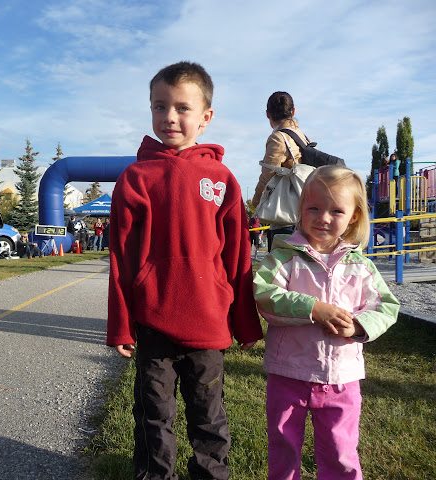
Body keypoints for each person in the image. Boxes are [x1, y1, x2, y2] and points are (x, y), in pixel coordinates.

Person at [107, 61, 263, 480]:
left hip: (208, 321)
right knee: (154, 416)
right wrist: (121, 325)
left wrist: (245, 323)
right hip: (154, 321)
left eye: (182, 107)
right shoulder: (135, 178)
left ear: (205, 117)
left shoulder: (222, 179)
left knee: (208, 416)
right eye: (160, 106)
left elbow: (238, 258)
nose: (170, 117)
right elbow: (121, 259)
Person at [253, 165, 400, 480]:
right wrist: (313, 308)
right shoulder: (284, 258)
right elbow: (265, 296)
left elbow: (386, 306)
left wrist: (358, 326)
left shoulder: (361, 267)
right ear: (301, 209)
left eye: (336, 211)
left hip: (342, 377)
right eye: (314, 208)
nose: (323, 217)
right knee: (283, 447)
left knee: (340, 451)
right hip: (288, 373)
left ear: (354, 217)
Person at [251, 91, 307, 251]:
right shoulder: (304, 139)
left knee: (281, 263)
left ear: (267, 114)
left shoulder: (278, 138)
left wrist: (256, 204)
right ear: (293, 112)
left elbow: (267, 176)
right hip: (305, 213)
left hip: (285, 215)